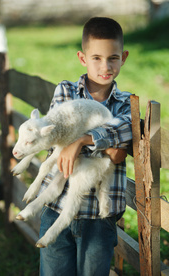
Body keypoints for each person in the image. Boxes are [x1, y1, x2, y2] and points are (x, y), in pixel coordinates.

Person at [38, 17, 132, 276]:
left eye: (113, 58)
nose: (106, 66)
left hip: (99, 219)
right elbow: (57, 138)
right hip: (56, 207)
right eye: (96, 58)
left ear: (123, 57)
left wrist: (81, 140)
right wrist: (104, 144)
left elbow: (122, 141)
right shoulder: (65, 92)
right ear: (82, 58)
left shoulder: (126, 103)